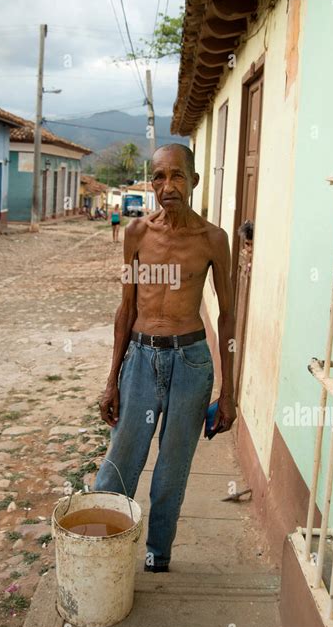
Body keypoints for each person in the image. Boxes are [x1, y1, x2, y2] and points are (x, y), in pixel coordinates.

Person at [94, 143, 237, 572]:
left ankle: (158, 556)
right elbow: (126, 308)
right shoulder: (137, 233)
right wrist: (111, 377)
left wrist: (229, 391)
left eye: (177, 176)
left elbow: (228, 317)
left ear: (193, 181)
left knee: (171, 472)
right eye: (159, 176)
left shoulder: (213, 240)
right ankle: (102, 552)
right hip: (140, 359)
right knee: (120, 461)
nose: (167, 186)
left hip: (191, 364)